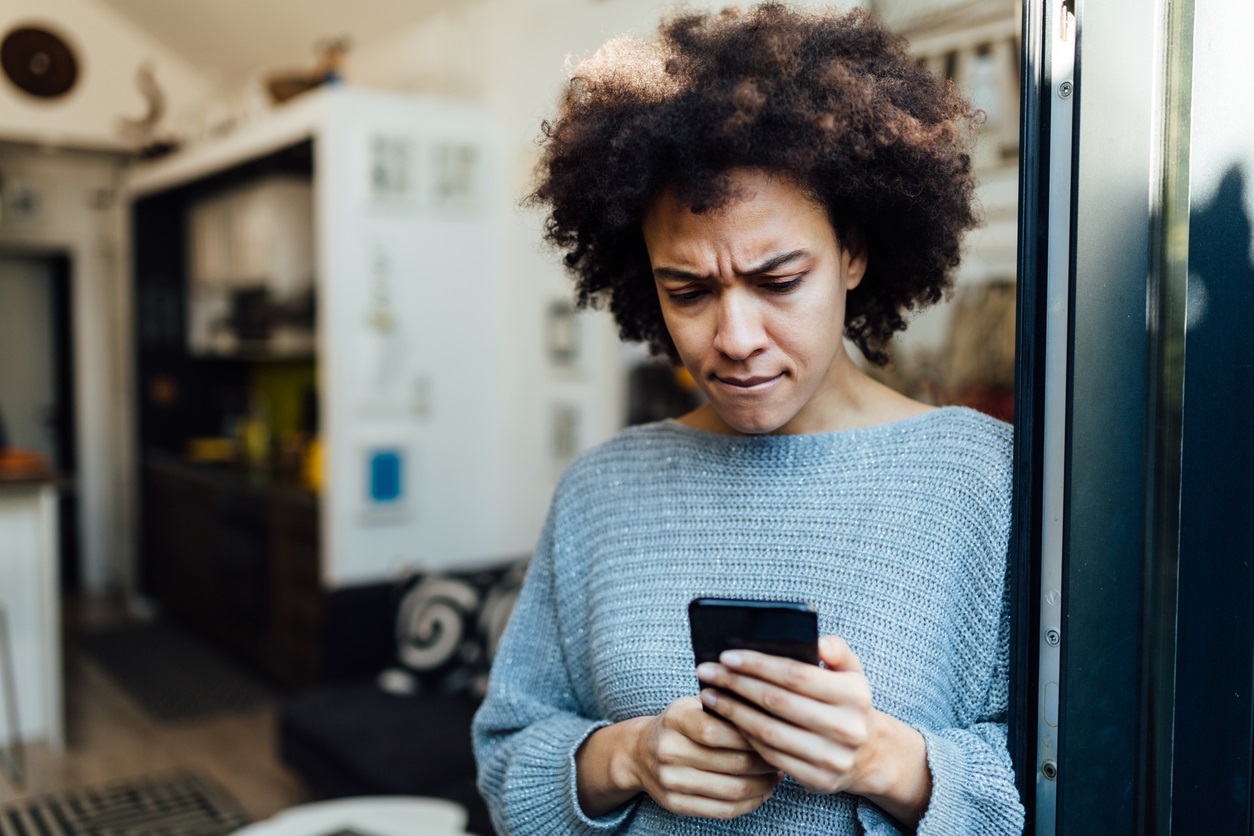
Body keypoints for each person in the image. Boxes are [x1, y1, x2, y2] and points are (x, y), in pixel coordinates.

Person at [472, 4, 1025, 833]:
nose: (732, 340)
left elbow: (1065, 783)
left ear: (854, 252)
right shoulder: (602, 489)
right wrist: (629, 756)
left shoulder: (984, 479)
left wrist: (883, 761)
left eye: (778, 280)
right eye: (687, 292)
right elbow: (507, 752)